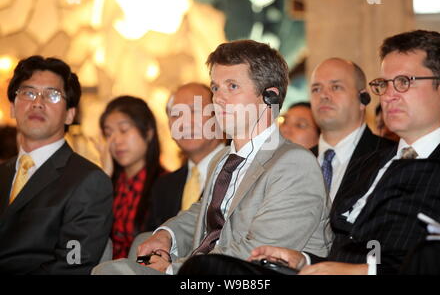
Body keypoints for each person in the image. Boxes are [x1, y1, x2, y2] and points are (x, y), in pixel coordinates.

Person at [182, 30, 440, 275]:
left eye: (403, 82)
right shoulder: (370, 164)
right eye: (384, 84)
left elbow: (434, 260)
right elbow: (340, 245)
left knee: (207, 271)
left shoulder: (439, 165)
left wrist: (361, 272)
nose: (389, 95)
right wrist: (306, 261)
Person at [92, 39, 332, 275]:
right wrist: (168, 235)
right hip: (201, 271)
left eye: (232, 86)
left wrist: (172, 269)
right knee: (140, 245)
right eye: (215, 87)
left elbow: (258, 254)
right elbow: (205, 212)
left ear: (269, 97)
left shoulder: (293, 164)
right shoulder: (225, 159)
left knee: (110, 271)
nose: (218, 98)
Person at [0, 55, 113, 274]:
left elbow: (72, 266)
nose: (37, 102)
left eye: (52, 95)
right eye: (28, 92)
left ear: (70, 114)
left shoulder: (89, 181)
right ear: (13, 107)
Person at [309, 58, 395, 203]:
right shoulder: (295, 162)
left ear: (363, 98)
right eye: (316, 89)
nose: (323, 95)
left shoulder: (391, 157)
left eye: (336, 87)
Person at [144, 83, 225, 232]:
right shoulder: (163, 186)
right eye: (176, 115)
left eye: (195, 111)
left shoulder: (239, 172)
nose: (185, 122)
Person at [98, 96, 166, 259]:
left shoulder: (165, 184)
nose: (116, 141)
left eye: (124, 130)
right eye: (108, 134)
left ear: (148, 132)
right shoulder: (110, 183)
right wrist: (103, 178)